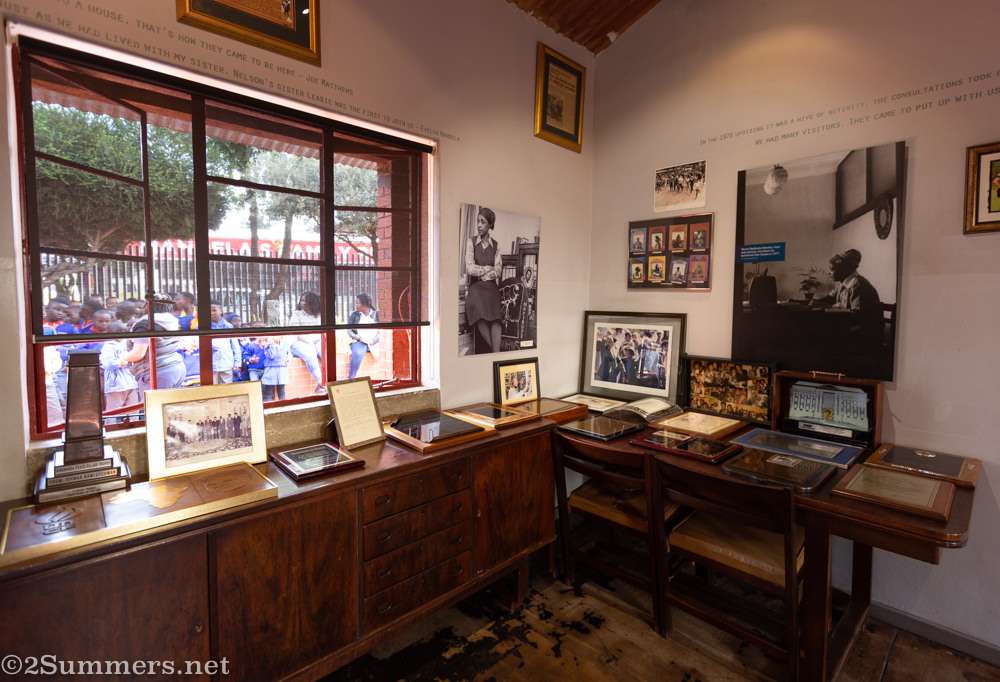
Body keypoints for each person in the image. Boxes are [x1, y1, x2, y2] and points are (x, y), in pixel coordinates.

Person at [119, 292, 185, 397]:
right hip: (176, 367)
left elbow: (138, 354)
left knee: (153, 405)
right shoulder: (171, 320)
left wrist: (123, 358)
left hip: (158, 370)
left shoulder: (146, 325)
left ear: (149, 306)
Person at [811, 248, 883, 342]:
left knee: (820, 334)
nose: (829, 273)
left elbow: (857, 316)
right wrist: (813, 303)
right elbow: (829, 299)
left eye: (832, 270)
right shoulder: (842, 283)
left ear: (844, 269)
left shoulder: (857, 285)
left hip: (864, 333)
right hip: (852, 326)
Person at [464, 206, 503, 353]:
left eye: (483, 222)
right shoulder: (471, 242)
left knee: (496, 318)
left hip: (491, 288)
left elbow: (498, 271)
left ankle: (496, 353)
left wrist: (481, 271)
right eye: (478, 221)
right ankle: (496, 353)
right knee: (479, 313)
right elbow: (470, 268)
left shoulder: (497, 246)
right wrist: (487, 269)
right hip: (476, 287)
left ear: (490, 224)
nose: (479, 225)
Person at [99, 321, 138, 417]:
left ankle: (134, 425)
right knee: (113, 412)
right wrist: (125, 361)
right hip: (116, 384)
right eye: (119, 331)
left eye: (124, 331)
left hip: (131, 382)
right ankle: (110, 426)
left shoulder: (128, 343)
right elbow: (107, 363)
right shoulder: (108, 346)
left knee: (133, 410)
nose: (122, 333)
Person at [288, 291, 325, 393]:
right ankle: (321, 384)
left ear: (313, 302)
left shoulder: (320, 315)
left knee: (326, 355)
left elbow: (324, 331)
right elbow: (296, 333)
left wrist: (319, 343)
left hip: (317, 340)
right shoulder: (297, 314)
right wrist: (311, 344)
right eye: (301, 300)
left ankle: (331, 381)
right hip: (299, 342)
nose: (302, 303)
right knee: (310, 354)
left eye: (305, 301)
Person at [347, 293, 379, 378]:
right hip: (360, 341)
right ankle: (351, 377)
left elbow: (382, 331)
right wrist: (360, 338)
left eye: (358, 303)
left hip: (375, 342)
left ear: (364, 304)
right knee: (358, 353)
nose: (356, 305)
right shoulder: (355, 315)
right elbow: (349, 330)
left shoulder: (377, 315)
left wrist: (373, 340)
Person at [209, 301, 242, 384]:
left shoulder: (228, 326)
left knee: (226, 388)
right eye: (209, 311)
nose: (211, 313)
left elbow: (235, 346)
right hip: (210, 365)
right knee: (211, 388)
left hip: (226, 363)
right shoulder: (202, 326)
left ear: (220, 311)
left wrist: (237, 362)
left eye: (214, 310)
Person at [257, 337, 289, 401]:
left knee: (281, 391)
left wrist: (287, 358)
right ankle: (269, 406)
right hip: (271, 369)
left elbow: (287, 354)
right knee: (268, 391)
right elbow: (271, 355)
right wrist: (271, 344)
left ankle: (283, 405)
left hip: (281, 369)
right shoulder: (268, 345)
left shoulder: (284, 343)